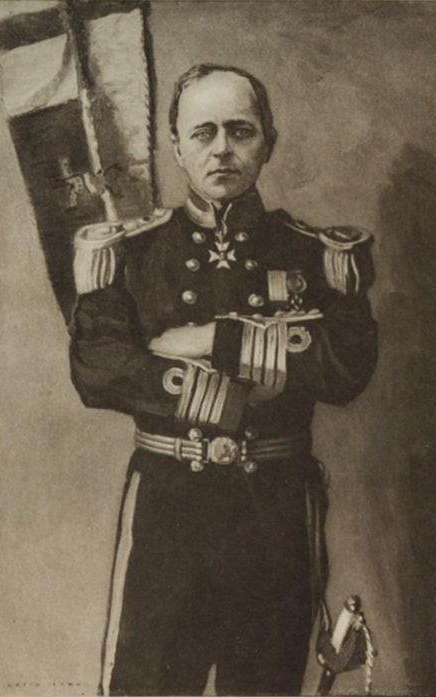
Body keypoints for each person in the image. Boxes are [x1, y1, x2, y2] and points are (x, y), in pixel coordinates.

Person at [69, 63, 377, 696]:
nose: (222, 149)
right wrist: (230, 390)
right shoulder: (134, 253)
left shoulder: (312, 252)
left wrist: (210, 340)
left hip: (274, 517)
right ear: (176, 146)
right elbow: (97, 368)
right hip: (170, 516)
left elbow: (345, 366)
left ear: (269, 142)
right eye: (203, 132)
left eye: (240, 131)